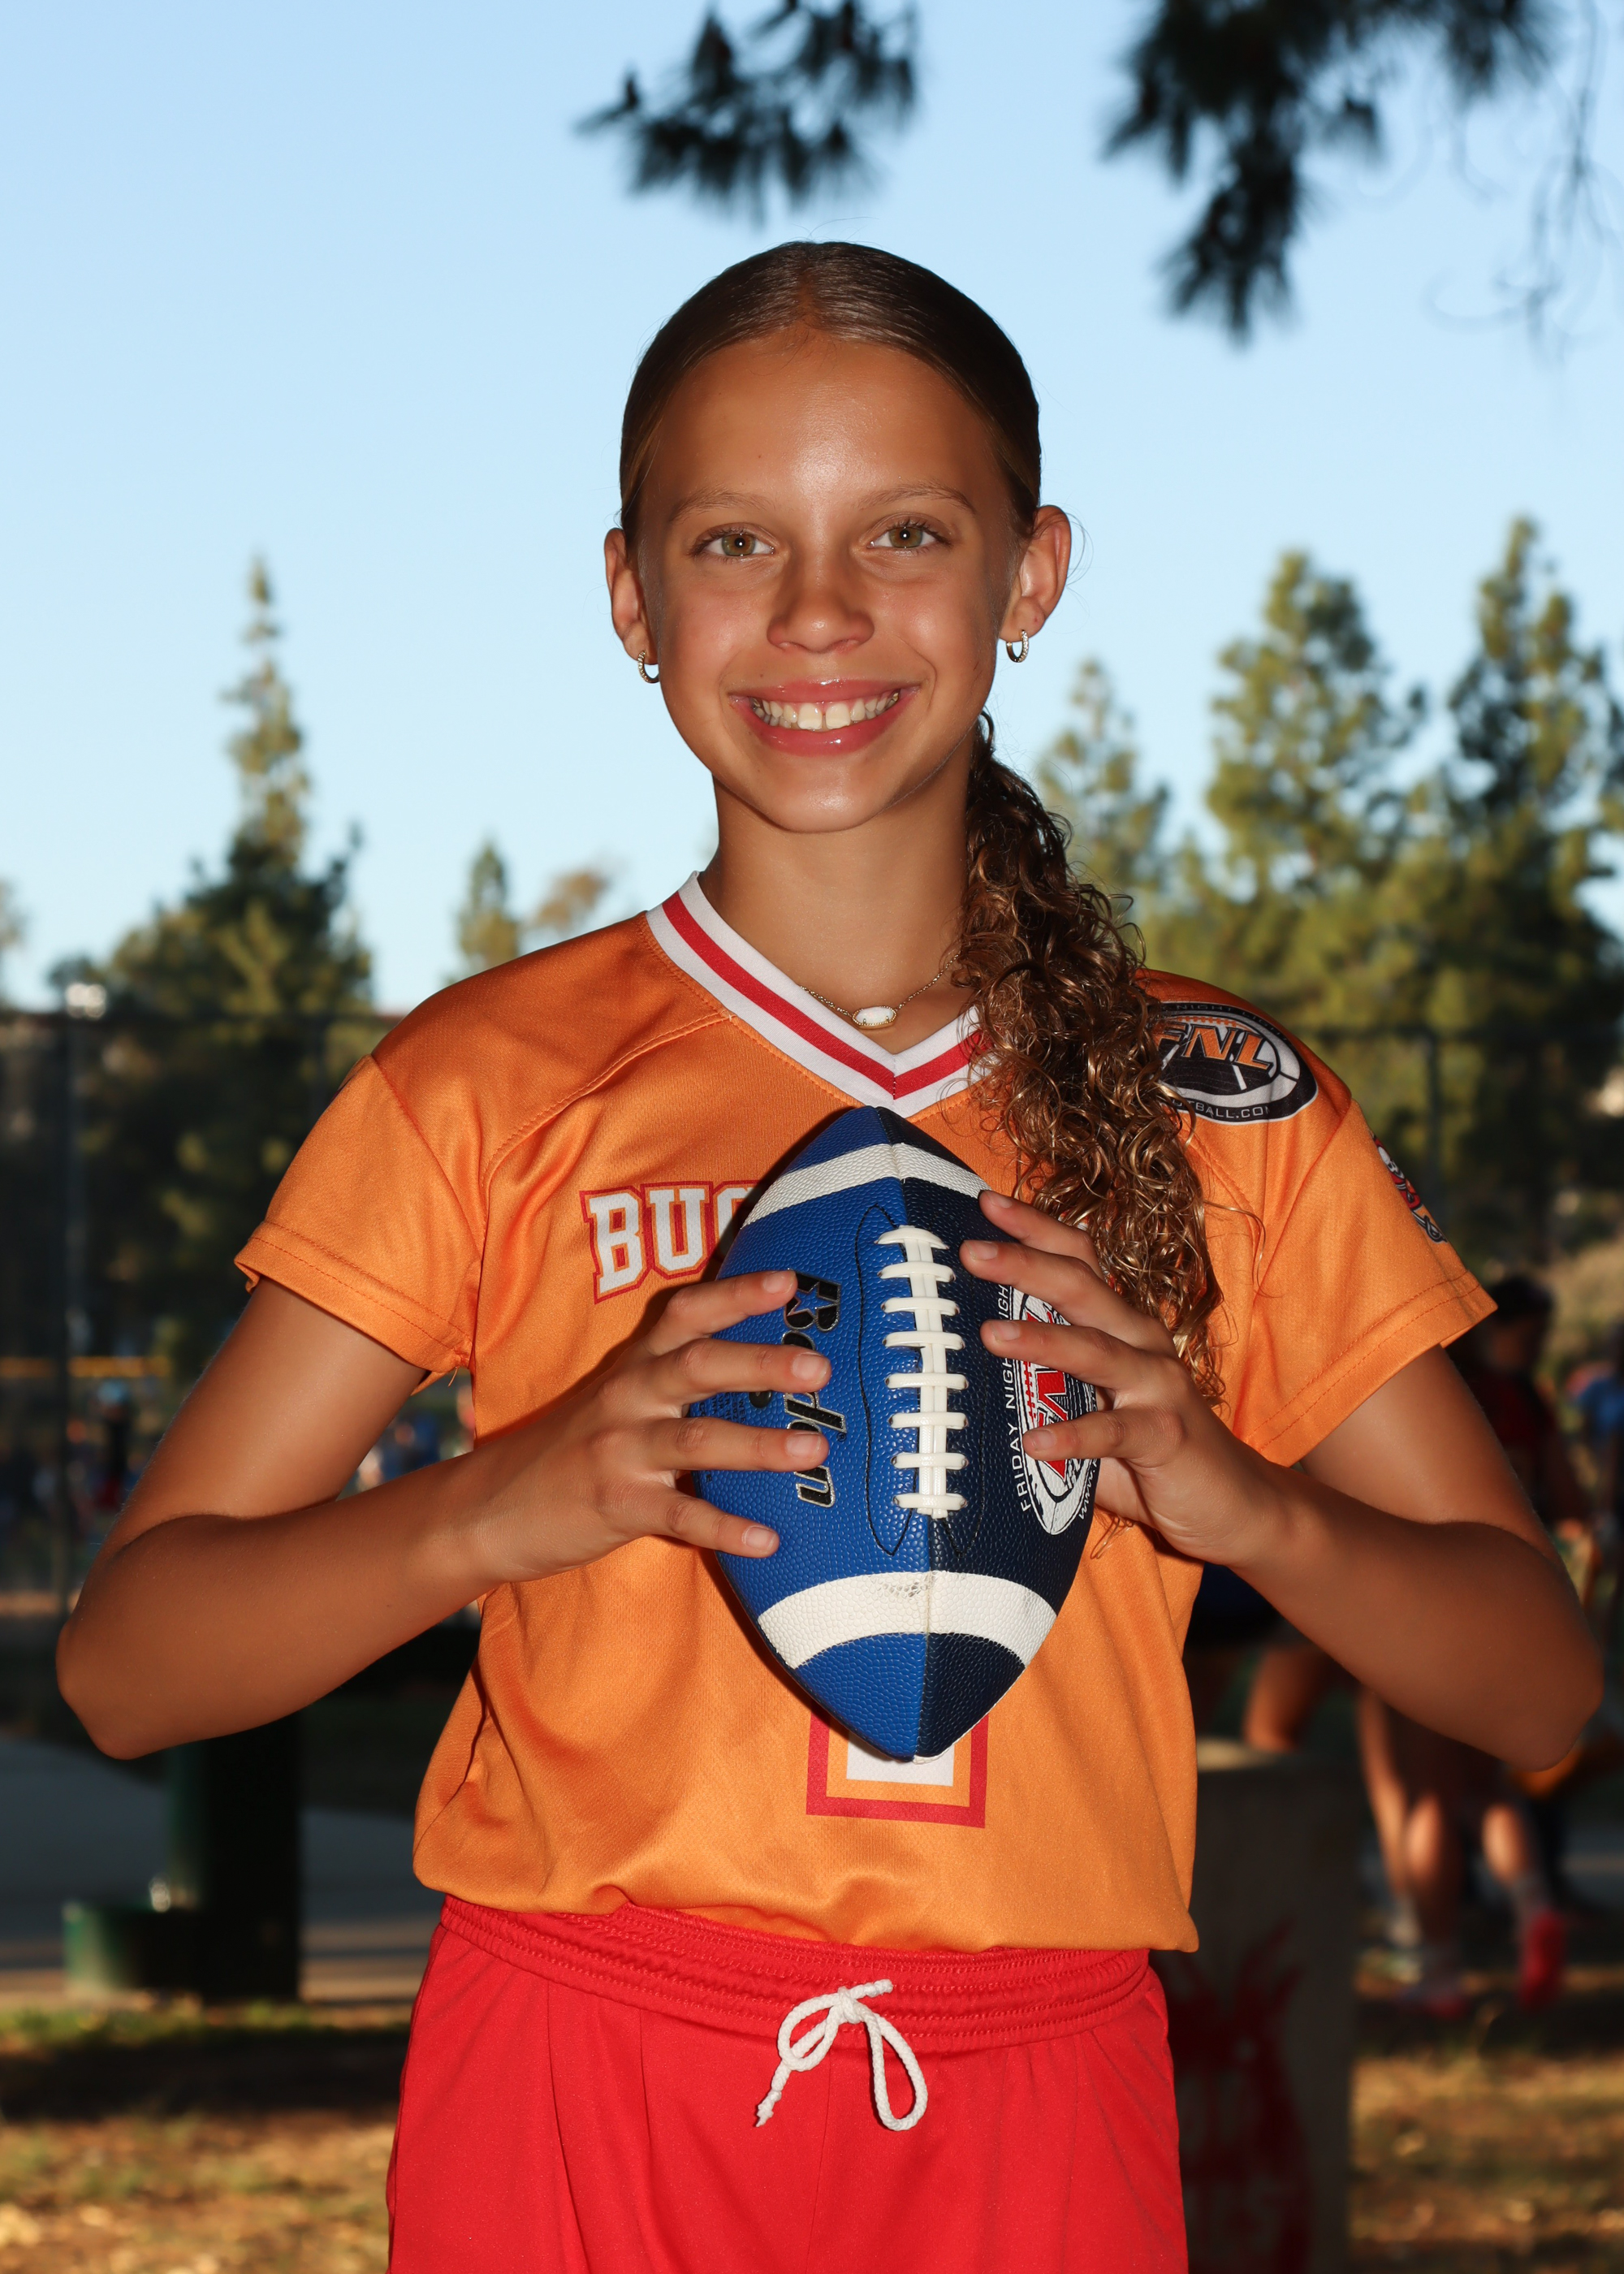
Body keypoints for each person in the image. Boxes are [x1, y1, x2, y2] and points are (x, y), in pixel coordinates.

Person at [57, 244, 1600, 2273]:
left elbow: (1539, 1682)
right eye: (733, 541)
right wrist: (504, 1500)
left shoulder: (1213, 1095)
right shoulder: (487, 1081)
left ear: (1029, 573)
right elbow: (130, 1664)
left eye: (904, 531)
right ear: (631, 596)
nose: (816, 611)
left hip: (1036, 2088)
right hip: (581, 2067)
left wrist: (1246, 1506)